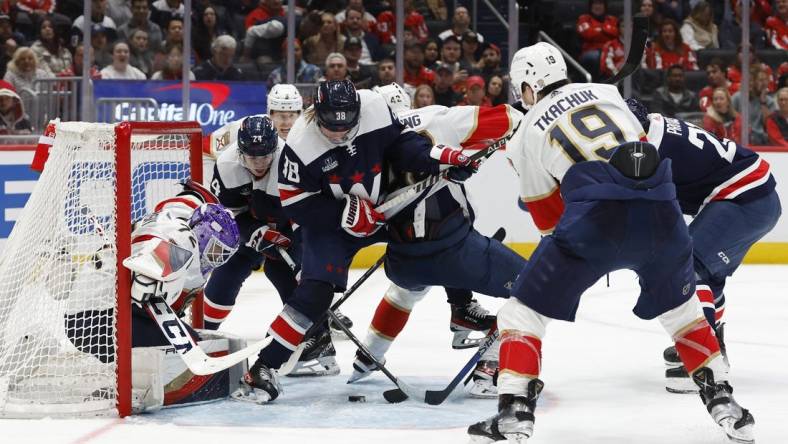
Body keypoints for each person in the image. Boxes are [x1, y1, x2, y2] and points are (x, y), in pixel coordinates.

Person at [467, 42, 756, 444]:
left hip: (593, 221)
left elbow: (549, 220)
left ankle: (514, 412)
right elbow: (640, 152)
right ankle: (727, 406)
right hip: (662, 208)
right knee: (683, 313)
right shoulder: (607, 92)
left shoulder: (525, 131)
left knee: (522, 315)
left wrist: (577, 257)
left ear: (529, 86)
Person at [236, 79, 479, 403]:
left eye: (346, 125)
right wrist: (341, 214)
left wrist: (442, 159)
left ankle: (461, 307)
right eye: (330, 127)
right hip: (332, 224)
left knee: (437, 226)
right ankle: (264, 368)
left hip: (381, 207)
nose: (339, 134)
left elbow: (403, 146)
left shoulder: (375, 108)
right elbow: (294, 201)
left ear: (357, 111)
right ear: (316, 115)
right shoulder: (301, 142)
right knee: (315, 292)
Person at [347, 83, 526, 398]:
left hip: (402, 261)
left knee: (405, 290)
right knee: (533, 287)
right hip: (455, 251)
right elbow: (509, 118)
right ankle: (489, 366)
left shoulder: (361, 144)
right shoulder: (436, 118)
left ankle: (368, 355)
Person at [626, 98, 780, 396]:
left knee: (688, 267)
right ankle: (714, 346)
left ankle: (702, 358)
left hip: (743, 198)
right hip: (751, 197)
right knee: (708, 275)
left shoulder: (646, 152)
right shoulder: (655, 124)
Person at [65, 181, 242, 411]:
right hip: (97, 319)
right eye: (217, 250)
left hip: (90, 315)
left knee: (181, 342)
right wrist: (147, 279)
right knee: (184, 351)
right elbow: (143, 284)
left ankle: (128, 383)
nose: (217, 259)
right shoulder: (182, 239)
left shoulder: (172, 226)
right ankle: (127, 388)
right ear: (204, 233)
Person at [732, 64, 777, 145]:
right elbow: (731, 118)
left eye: (765, 80)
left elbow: (768, 124)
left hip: (762, 141)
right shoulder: (738, 97)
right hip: (740, 139)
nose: (763, 83)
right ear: (754, 81)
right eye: (760, 80)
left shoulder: (769, 101)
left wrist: (763, 102)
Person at [576, 0, 618, 79]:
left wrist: (599, 29)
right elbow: (587, 34)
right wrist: (607, 31)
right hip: (590, 52)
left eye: (600, 3)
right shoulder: (584, 18)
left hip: (611, 51)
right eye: (595, 3)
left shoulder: (612, 19)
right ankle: (600, 82)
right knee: (598, 56)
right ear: (591, 6)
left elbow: (617, 33)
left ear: (605, 6)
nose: (598, 6)